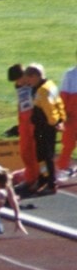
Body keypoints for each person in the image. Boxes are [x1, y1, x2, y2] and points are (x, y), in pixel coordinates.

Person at [24, 63, 65, 195]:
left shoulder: (42, 91)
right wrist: (61, 119)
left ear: (35, 76)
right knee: (41, 156)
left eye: (29, 78)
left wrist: (54, 122)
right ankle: (43, 179)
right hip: (45, 126)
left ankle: (51, 183)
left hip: (44, 128)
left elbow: (49, 110)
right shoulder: (50, 85)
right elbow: (59, 103)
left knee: (45, 156)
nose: (27, 81)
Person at [7, 63, 40, 192]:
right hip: (25, 123)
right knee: (26, 153)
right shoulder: (21, 87)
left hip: (33, 124)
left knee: (31, 153)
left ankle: (32, 179)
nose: (17, 83)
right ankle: (30, 175)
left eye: (18, 79)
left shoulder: (33, 88)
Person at [56, 49, 77, 180]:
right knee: (68, 144)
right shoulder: (70, 74)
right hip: (72, 116)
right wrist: (63, 114)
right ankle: (62, 169)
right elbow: (63, 96)